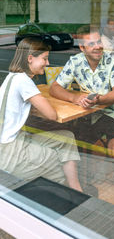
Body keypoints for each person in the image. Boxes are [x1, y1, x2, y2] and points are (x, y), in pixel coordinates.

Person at [0, 37, 82, 192]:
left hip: (10, 144)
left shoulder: (12, 76)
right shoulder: (23, 81)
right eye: (44, 58)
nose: (48, 63)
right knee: (57, 165)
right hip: (11, 153)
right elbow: (51, 115)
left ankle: (76, 189)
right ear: (30, 58)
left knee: (67, 137)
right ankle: (66, 196)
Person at [50, 25, 114, 162]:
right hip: (90, 116)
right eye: (91, 44)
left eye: (99, 41)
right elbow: (54, 88)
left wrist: (98, 100)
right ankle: (82, 176)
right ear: (82, 48)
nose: (97, 46)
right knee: (71, 146)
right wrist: (74, 98)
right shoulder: (75, 61)